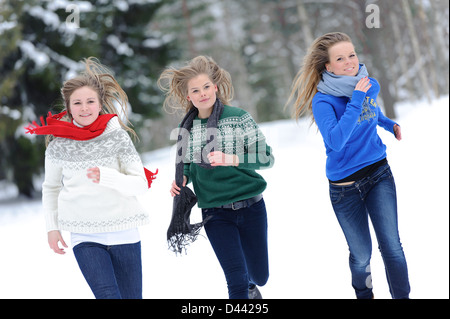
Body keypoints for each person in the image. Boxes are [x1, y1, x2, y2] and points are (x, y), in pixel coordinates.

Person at [287, 32, 410, 299]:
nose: (349, 62)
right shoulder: (323, 101)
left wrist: (389, 125)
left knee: (392, 246)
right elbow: (337, 140)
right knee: (361, 256)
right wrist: (356, 98)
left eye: (351, 55)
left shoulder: (363, 85)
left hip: (379, 173)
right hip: (346, 189)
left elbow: (372, 112)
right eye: (340, 58)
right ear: (328, 66)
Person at [25, 57, 156, 299]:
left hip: (124, 231)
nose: (84, 108)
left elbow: (140, 183)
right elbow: (51, 188)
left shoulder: (117, 137)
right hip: (84, 235)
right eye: (77, 103)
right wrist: (52, 228)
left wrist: (107, 177)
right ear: (68, 106)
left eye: (89, 101)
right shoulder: (58, 145)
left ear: (99, 104)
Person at [158, 56, 274, 299]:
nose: (202, 94)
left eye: (206, 87)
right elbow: (187, 164)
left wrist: (232, 158)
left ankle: (253, 287)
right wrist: (182, 179)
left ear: (216, 87)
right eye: (196, 90)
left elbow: (266, 158)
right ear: (188, 96)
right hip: (215, 212)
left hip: (251, 206)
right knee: (235, 280)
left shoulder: (239, 117)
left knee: (258, 275)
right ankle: (245, 289)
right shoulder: (185, 130)